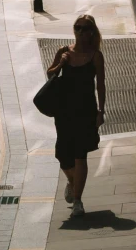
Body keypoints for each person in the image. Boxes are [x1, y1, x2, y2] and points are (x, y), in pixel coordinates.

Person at [45, 13, 106, 209]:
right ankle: (72, 183)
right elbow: (50, 73)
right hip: (64, 110)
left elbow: (101, 85)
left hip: (85, 110)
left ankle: (78, 200)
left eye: (85, 28)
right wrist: (61, 62)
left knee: (80, 154)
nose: (80, 32)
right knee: (63, 155)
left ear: (91, 32)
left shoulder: (96, 56)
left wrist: (100, 111)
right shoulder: (65, 51)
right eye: (77, 27)